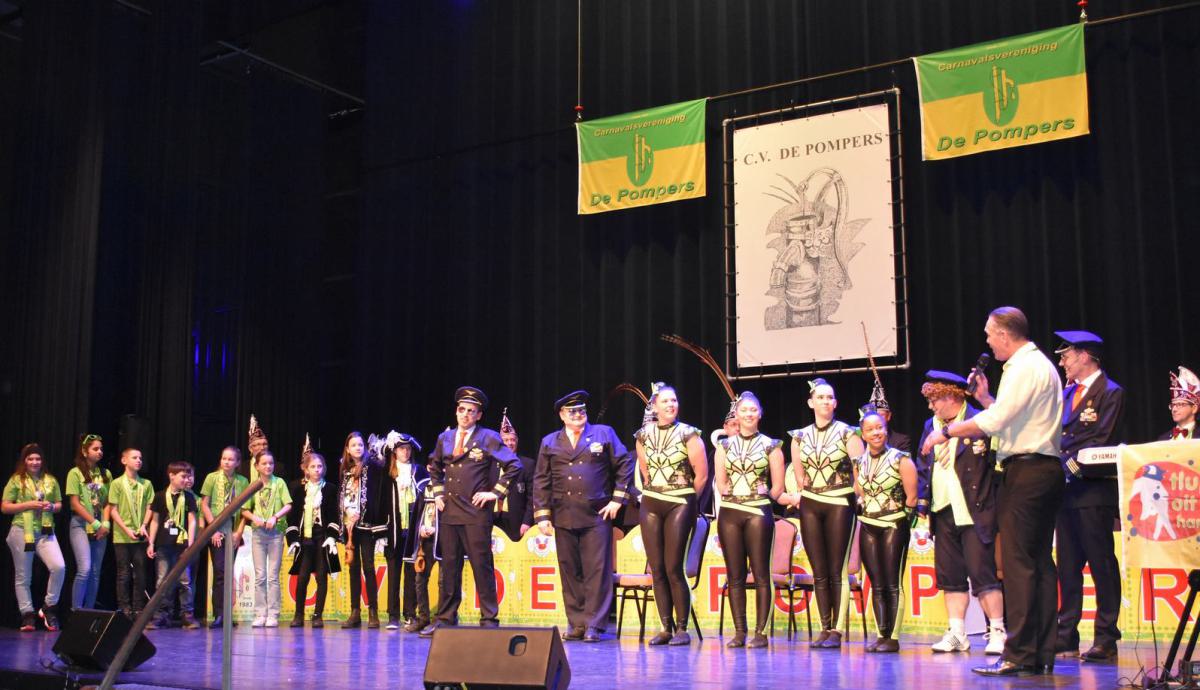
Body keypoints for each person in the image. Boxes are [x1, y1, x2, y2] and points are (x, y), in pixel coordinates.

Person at [922, 306, 1063, 677]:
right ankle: (1039, 651)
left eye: (989, 334)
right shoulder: (1039, 365)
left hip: (1028, 470)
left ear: (1004, 334)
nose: (987, 341)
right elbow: (1009, 414)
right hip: (1043, 469)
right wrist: (985, 398)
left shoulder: (1023, 366)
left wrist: (947, 432)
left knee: (1018, 566)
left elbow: (997, 422)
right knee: (1038, 564)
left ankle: (1019, 653)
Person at [915, 370, 1005, 656]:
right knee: (950, 576)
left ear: (951, 396)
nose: (931, 406)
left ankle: (998, 630)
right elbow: (923, 465)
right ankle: (957, 633)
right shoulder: (930, 425)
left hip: (974, 509)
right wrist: (923, 503)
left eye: (935, 400)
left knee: (983, 574)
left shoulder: (979, 420)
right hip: (943, 509)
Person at [533, 390, 634, 643]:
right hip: (564, 514)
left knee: (596, 571)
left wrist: (617, 500)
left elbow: (625, 464)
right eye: (572, 411)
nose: (578, 414)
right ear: (562, 415)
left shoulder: (603, 433)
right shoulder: (550, 441)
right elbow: (542, 480)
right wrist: (542, 515)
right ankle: (576, 623)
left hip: (596, 514)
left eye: (581, 410)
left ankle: (594, 625)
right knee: (570, 571)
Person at [422, 386, 521, 636]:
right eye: (462, 409)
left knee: (481, 565)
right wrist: (438, 493)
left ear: (478, 415)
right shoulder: (445, 438)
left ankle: (489, 619)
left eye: (471, 411)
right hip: (450, 512)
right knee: (449, 567)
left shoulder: (487, 437)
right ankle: (446, 618)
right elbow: (435, 468)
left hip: (476, 513)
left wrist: (494, 493)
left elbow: (514, 465)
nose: (465, 414)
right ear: (456, 411)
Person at [1052, 331, 1124, 662]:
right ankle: (1066, 636)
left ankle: (1106, 637)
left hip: (1093, 490)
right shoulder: (1067, 392)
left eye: (1066, 356)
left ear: (1084, 356)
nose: (1062, 362)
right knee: (1067, 567)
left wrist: (1065, 466)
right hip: (1065, 493)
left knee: (1101, 564)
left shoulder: (1110, 392)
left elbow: (1101, 439)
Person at [788, 377, 865, 649]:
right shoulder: (798, 437)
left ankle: (837, 629)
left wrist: (854, 497)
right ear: (811, 403)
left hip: (839, 503)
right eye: (820, 397)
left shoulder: (848, 433)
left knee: (837, 568)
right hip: (811, 503)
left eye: (829, 397)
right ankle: (823, 627)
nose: (825, 401)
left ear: (836, 403)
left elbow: (860, 474)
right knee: (819, 569)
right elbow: (799, 476)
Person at [633, 383, 707, 646]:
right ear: (654, 406)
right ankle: (665, 627)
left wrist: (687, 500)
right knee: (658, 568)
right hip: (652, 503)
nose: (671, 405)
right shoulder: (642, 436)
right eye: (665, 401)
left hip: (680, 502)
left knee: (674, 567)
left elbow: (702, 476)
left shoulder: (689, 434)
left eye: (674, 400)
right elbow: (645, 473)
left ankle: (682, 628)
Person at [714, 392, 785, 649]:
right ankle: (739, 631)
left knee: (761, 573)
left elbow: (778, 487)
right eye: (744, 410)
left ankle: (761, 632)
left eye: (753, 410)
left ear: (760, 414)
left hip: (758, 511)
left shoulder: (771, 445)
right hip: (730, 512)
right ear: (736, 414)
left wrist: (760, 497)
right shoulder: (724, 446)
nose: (748, 414)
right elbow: (721, 483)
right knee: (735, 575)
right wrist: (735, 494)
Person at [854, 411, 917, 653]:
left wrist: (901, 520)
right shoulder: (858, 462)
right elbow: (860, 492)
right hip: (869, 525)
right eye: (870, 429)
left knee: (892, 583)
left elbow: (912, 497)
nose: (876, 433)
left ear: (885, 429)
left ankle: (893, 637)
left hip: (893, 524)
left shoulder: (901, 459)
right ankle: (881, 635)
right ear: (863, 434)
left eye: (879, 427)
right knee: (877, 583)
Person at [3, 443, 66, 632]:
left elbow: (59, 505)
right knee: (23, 576)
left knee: (59, 567)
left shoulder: (50, 480)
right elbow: (5, 507)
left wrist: (51, 507)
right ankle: (27, 615)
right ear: (24, 461)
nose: (34, 462)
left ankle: (48, 607)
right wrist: (28, 505)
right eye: (30, 459)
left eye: (38, 458)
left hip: (46, 531)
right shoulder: (16, 480)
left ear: (42, 461)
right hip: (22, 530)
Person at [286, 442, 340, 628]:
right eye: (313, 467)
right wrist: (293, 539)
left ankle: (318, 615)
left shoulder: (330, 489)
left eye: (319, 466)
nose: (317, 470)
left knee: (321, 576)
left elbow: (334, 515)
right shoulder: (298, 489)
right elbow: (293, 517)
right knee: (302, 577)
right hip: (305, 539)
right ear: (306, 469)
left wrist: (332, 536)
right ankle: (298, 614)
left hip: (322, 537)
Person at [339, 430, 386, 628]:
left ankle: (373, 611)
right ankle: (355, 611)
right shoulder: (344, 470)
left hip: (366, 525)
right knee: (353, 568)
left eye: (360, 445)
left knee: (368, 566)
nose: (357, 448)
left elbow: (375, 491)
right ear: (348, 450)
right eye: (353, 445)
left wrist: (361, 513)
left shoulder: (372, 466)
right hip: (350, 525)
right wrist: (346, 514)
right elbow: (343, 496)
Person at [380, 431, 427, 630]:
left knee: (410, 573)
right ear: (395, 452)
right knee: (393, 572)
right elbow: (381, 503)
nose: (405, 452)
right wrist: (381, 533)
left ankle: (410, 613)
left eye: (408, 449)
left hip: (413, 528)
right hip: (394, 528)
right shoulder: (388, 474)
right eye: (401, 449)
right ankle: (393, 615)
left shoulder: (419, 471)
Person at [146, 461, 199, 630]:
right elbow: (155, 521)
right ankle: (161, 615)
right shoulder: (160, 496)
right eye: (183, 476)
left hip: (182, 545)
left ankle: (187, 615)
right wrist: (151, 543)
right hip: (163, 545)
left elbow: (192, 521)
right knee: (162, 581)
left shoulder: (188, 497)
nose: (186, 480)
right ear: (171, 476)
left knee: (185, 581)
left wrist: (191, 544)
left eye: (188, 477)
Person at [241, 449, 292, 627]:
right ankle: (260, 614)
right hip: (258, 533)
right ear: (257, 466)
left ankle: (273, 614)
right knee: (260, 575)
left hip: (276, 532)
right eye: (264, 463)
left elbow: (288, 504)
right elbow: (244, 509)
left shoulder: (279, 483)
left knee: (272, 576)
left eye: (270, 463)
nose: (268, 466)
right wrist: (254, 518)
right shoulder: (253, 485)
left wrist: (275, 517)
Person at [199, 446, 249, 628]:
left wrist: (239, 533)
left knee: (228, 572)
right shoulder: (212, 478)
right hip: (216, 528)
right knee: (220, 571)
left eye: (230, 459)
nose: (226, 462)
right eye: (224, 458)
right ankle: (219, 614)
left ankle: (227, 613)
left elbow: (245, 509)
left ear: (237, 462)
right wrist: (213, 529)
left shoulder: (242, 481)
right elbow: (205, 504)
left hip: (233, 529)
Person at [65, 434, 112, 610]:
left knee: (95, 572)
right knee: (84, 569)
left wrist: (105, 523)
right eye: (95, 449)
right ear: (85, 452)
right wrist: (95, 523)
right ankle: (77, 611)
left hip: (100, 526)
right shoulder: (75, 473)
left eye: (101, 449)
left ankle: (89, 611)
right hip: (80, 524)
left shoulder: (106, 474)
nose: (100, 452)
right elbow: (75, 503)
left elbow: (108, 502)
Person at [108, 447, 153, 621]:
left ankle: (138, 608)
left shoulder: (146, 484)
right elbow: (113, 510)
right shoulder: (117, 483)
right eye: (134, 457)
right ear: (124, 460)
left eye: (140, 458)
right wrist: (126, 529)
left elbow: (149, 507)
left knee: (140, 574)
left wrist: (144, 525)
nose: (139, 460)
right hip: (122, 536)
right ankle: (124, 608)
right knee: (123, 573)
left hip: (140, 536)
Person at [492, 410, 536, 542]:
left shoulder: (527, 464)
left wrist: (527, 521)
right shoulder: (489, 465)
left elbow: (532, 497)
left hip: (517, 521)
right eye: (506, 440)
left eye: (512, 440)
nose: (510, 443)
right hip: (492, 520)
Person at [1160, 366, 1199, 440]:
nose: (1174, 409)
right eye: (1173, 405)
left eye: (1180, 404)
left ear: (1194, 408)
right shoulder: (1163, 439)